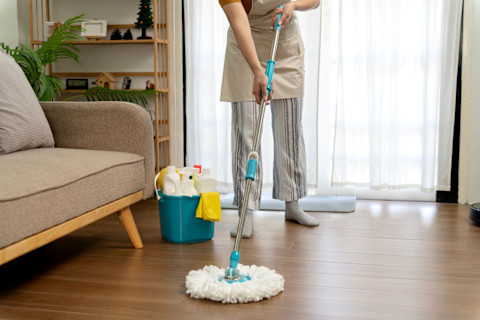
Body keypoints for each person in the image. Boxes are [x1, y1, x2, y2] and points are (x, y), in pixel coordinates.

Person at [220, 0, 321, 238]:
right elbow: (238, 21)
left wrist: (294, 5)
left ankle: (292, 203)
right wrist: (257, 70)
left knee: (290, 130)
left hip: (284, 43)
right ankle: (246, 212)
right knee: (247, 135)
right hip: (246, 50)